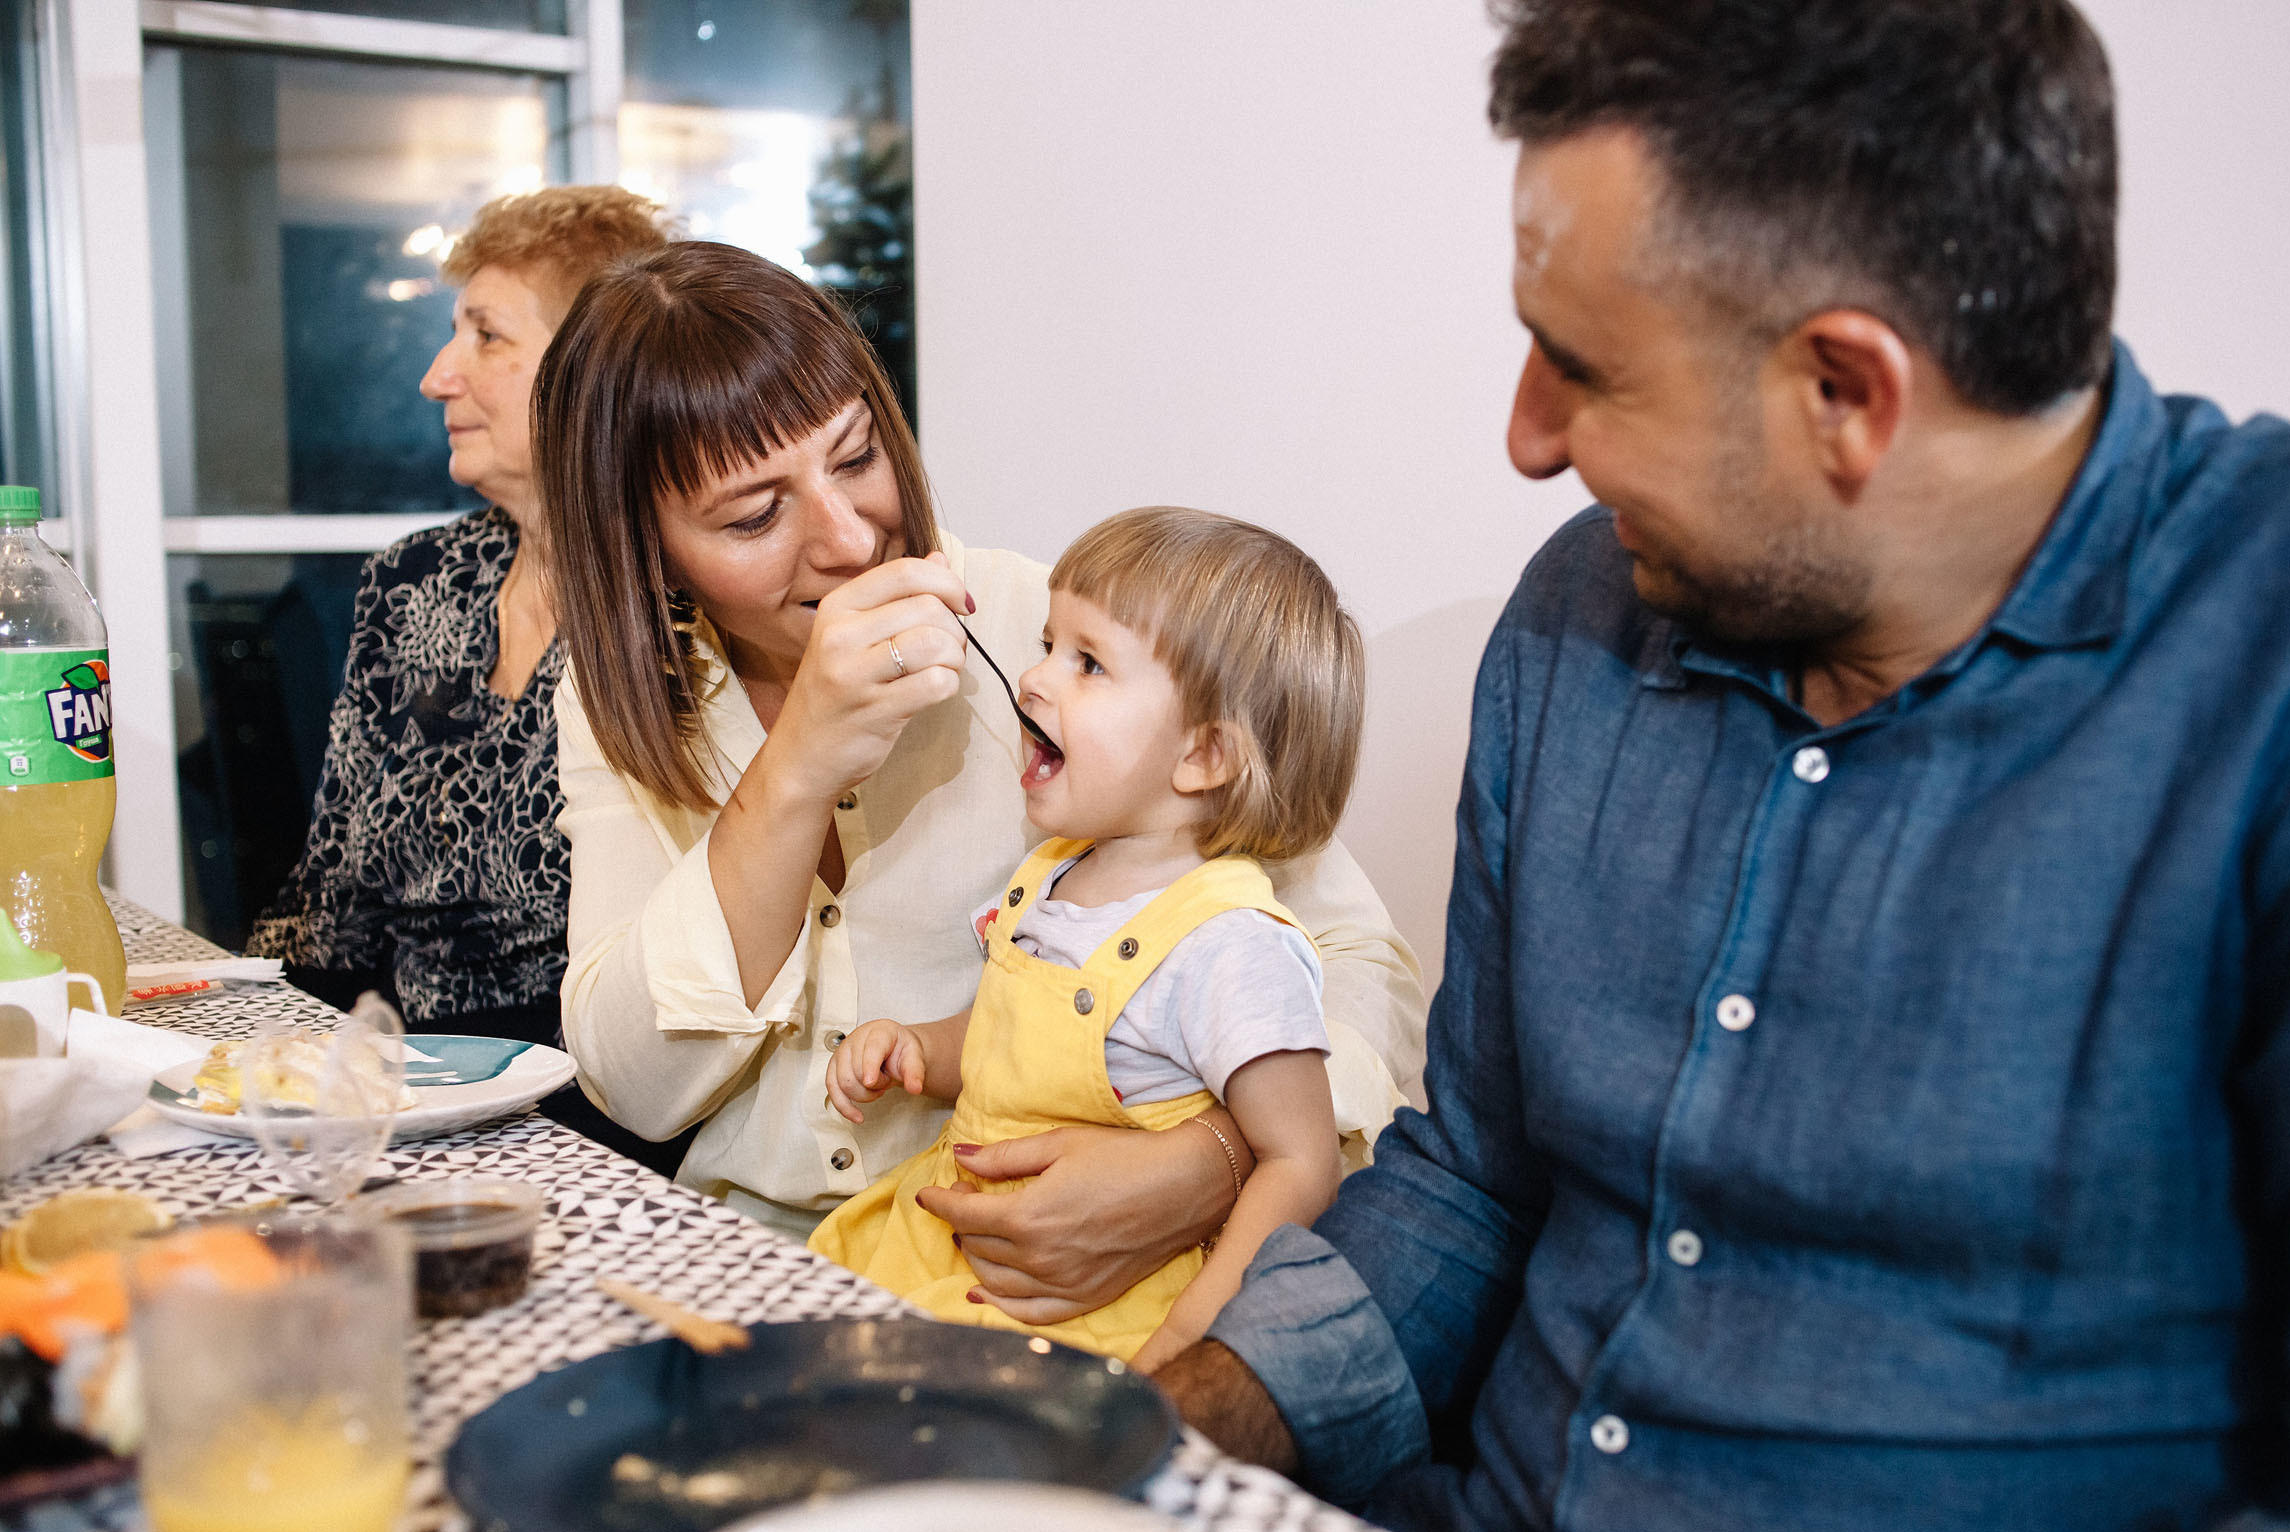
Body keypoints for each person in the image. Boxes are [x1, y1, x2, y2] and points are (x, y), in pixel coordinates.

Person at [1156, 3, 2290, 1532]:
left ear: (1848, 391)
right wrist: (1149, 1443)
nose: (1528, 439)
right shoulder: (1580, 614)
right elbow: (1470, 1184)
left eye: (1585, 369)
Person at [536, 244, 1426, 1313]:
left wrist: (1213, 1160)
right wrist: (796, 768)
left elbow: (1354, 962)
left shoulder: (1041, 640)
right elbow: (633, 1087)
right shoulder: (623, 700)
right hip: (753, 1265)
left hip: (1038, 1272)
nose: (852, 536)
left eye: (858, 457)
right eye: (754, 516)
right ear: (648, 552)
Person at [814, 508, 1357, 1370]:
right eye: (1046, 644)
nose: (1031, 679)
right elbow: (1005, 1038)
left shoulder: (1229, 943)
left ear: (1205, 756)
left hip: (1091, 1313)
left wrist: (1189, 1342)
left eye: (1089, 663)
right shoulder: (1053, 873)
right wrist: (919, 1047)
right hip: (941, 1253)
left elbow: (1301, 1160)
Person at [247, 186, 671, 1057]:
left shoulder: (680, 610)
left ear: (593, 369)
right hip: (409, 1073)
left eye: (487, 335)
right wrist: (256, 1048)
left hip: (601, 1092)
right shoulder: (415, 584)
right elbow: (331, 904)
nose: (438, 375)